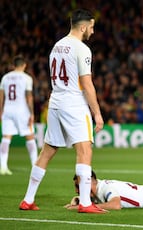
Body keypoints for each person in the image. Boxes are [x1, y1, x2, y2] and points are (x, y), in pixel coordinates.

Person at [19, 9, 106, 214]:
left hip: (56, 101)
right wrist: (98, 113)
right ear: (83, 26)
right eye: (91, 27)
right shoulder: (82, 49)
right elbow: (87, 84)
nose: (92, 32)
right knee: (85, 150)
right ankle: (85, 203)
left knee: (47, 151)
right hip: (74, 103)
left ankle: (28, 199)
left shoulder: (57, 46)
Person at [0, 55, 38, 175]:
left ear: (13, 65)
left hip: (8, 109)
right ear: (24, 65)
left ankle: (3, 167)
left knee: (6, 138)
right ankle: (35, 166)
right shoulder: (26, 78)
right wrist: (32, 113)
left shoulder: (5, 78)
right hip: (22, 110)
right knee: (30, 137)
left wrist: (1, 110)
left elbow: (1, 95)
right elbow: (29, 97)